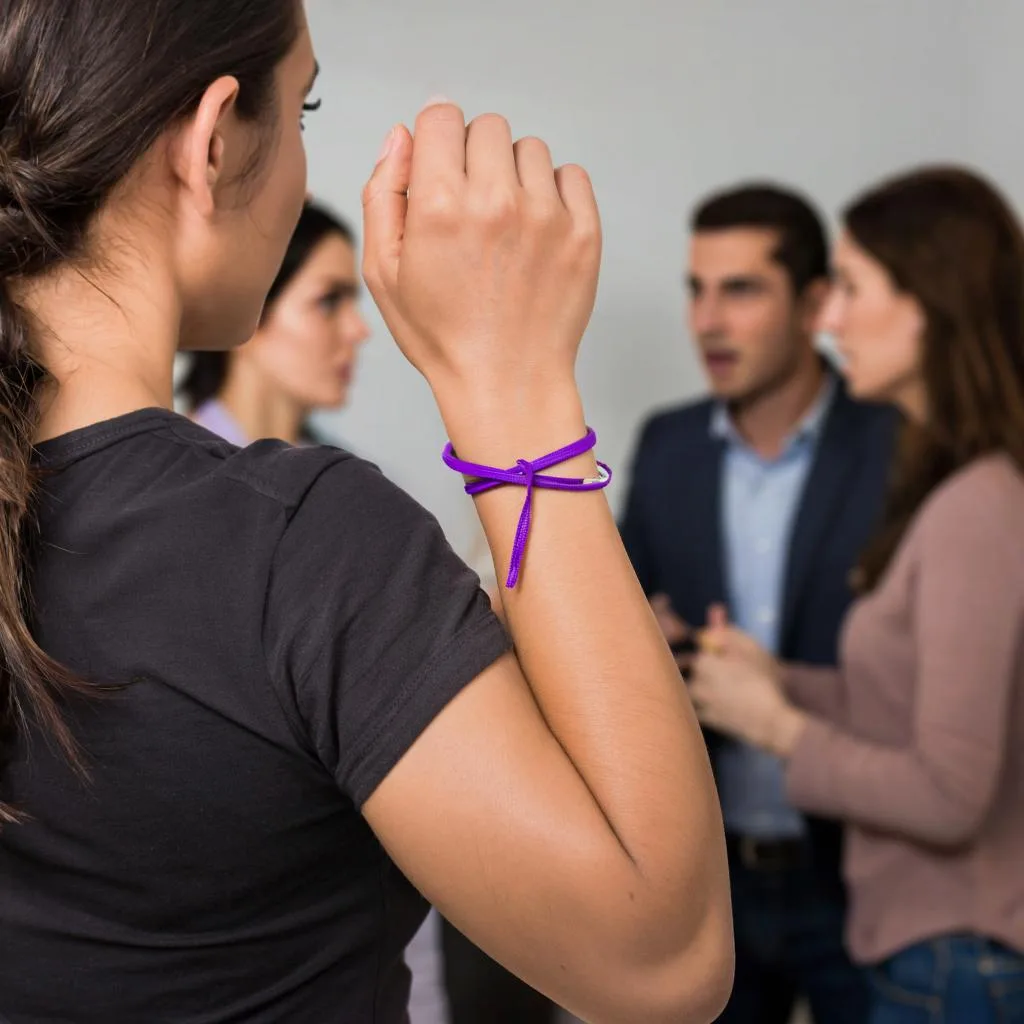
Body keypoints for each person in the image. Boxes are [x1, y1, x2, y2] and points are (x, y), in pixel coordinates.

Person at [0, 3, 733, 1023]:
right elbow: (666, 962)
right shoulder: (296, 545)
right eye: (302, 109)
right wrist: (512, 386)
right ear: (211, 144)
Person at [690, 166, 1024, 1023]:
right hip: (937, 954)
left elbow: (949, 796)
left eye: (852, 287)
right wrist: (777, 681)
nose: (830, 319)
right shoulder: (958, 485)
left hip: (957, 957)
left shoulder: (979, 505)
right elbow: (907, 705)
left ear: (928, 304)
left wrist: (776, 725)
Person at [620, 184, 898, 1024]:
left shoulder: (899, 444)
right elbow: (625, 621)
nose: (708, 321)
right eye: (696, 290)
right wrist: (647, 637)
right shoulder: (667, 445)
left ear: (815, 304)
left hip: (862, 872)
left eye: (740, 290)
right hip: (710, 875)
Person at [179, 199, 448, 1024]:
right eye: (329, 301)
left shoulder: (361, 497)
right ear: (253, 302)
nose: (359, 330)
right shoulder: (168, 501)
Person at [179, 199, 370, 446]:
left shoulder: (341, 468)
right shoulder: (171, 465)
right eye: (328, 302)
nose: (359, 330)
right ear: (245, 314)